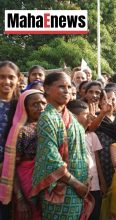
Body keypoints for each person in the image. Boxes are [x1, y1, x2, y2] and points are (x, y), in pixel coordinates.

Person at [30, 72, 93, 219]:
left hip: (78, 190)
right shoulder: (47, 118)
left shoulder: (68, 115)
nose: (67, 91)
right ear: (46, 88)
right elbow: (51, 159)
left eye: (69, 87)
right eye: (61, 87)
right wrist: (77, 184)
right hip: (62, 190)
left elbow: (75, 145)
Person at [0, 89, 46, 220]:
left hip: (45, 182)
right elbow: (11, 167)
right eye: (35, 104)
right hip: (26, 184)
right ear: (25, 108)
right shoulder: (22, 132)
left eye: (43, 103)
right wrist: (20, 199)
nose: (41, 107)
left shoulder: (47, 126)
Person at [67, 100, 106, 220]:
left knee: (94, 214)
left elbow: (97, 160)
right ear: (74, 116)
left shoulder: (92, 135)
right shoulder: (67, 135)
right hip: (77, 184)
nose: (90, 116)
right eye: (86, 114)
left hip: (93, 185)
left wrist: (102, 181)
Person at [0, 61, 19, 220]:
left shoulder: (23, 106)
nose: (6, 82)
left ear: (18, 79)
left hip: (16, 173)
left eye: (11, 77)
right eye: (2, 77)